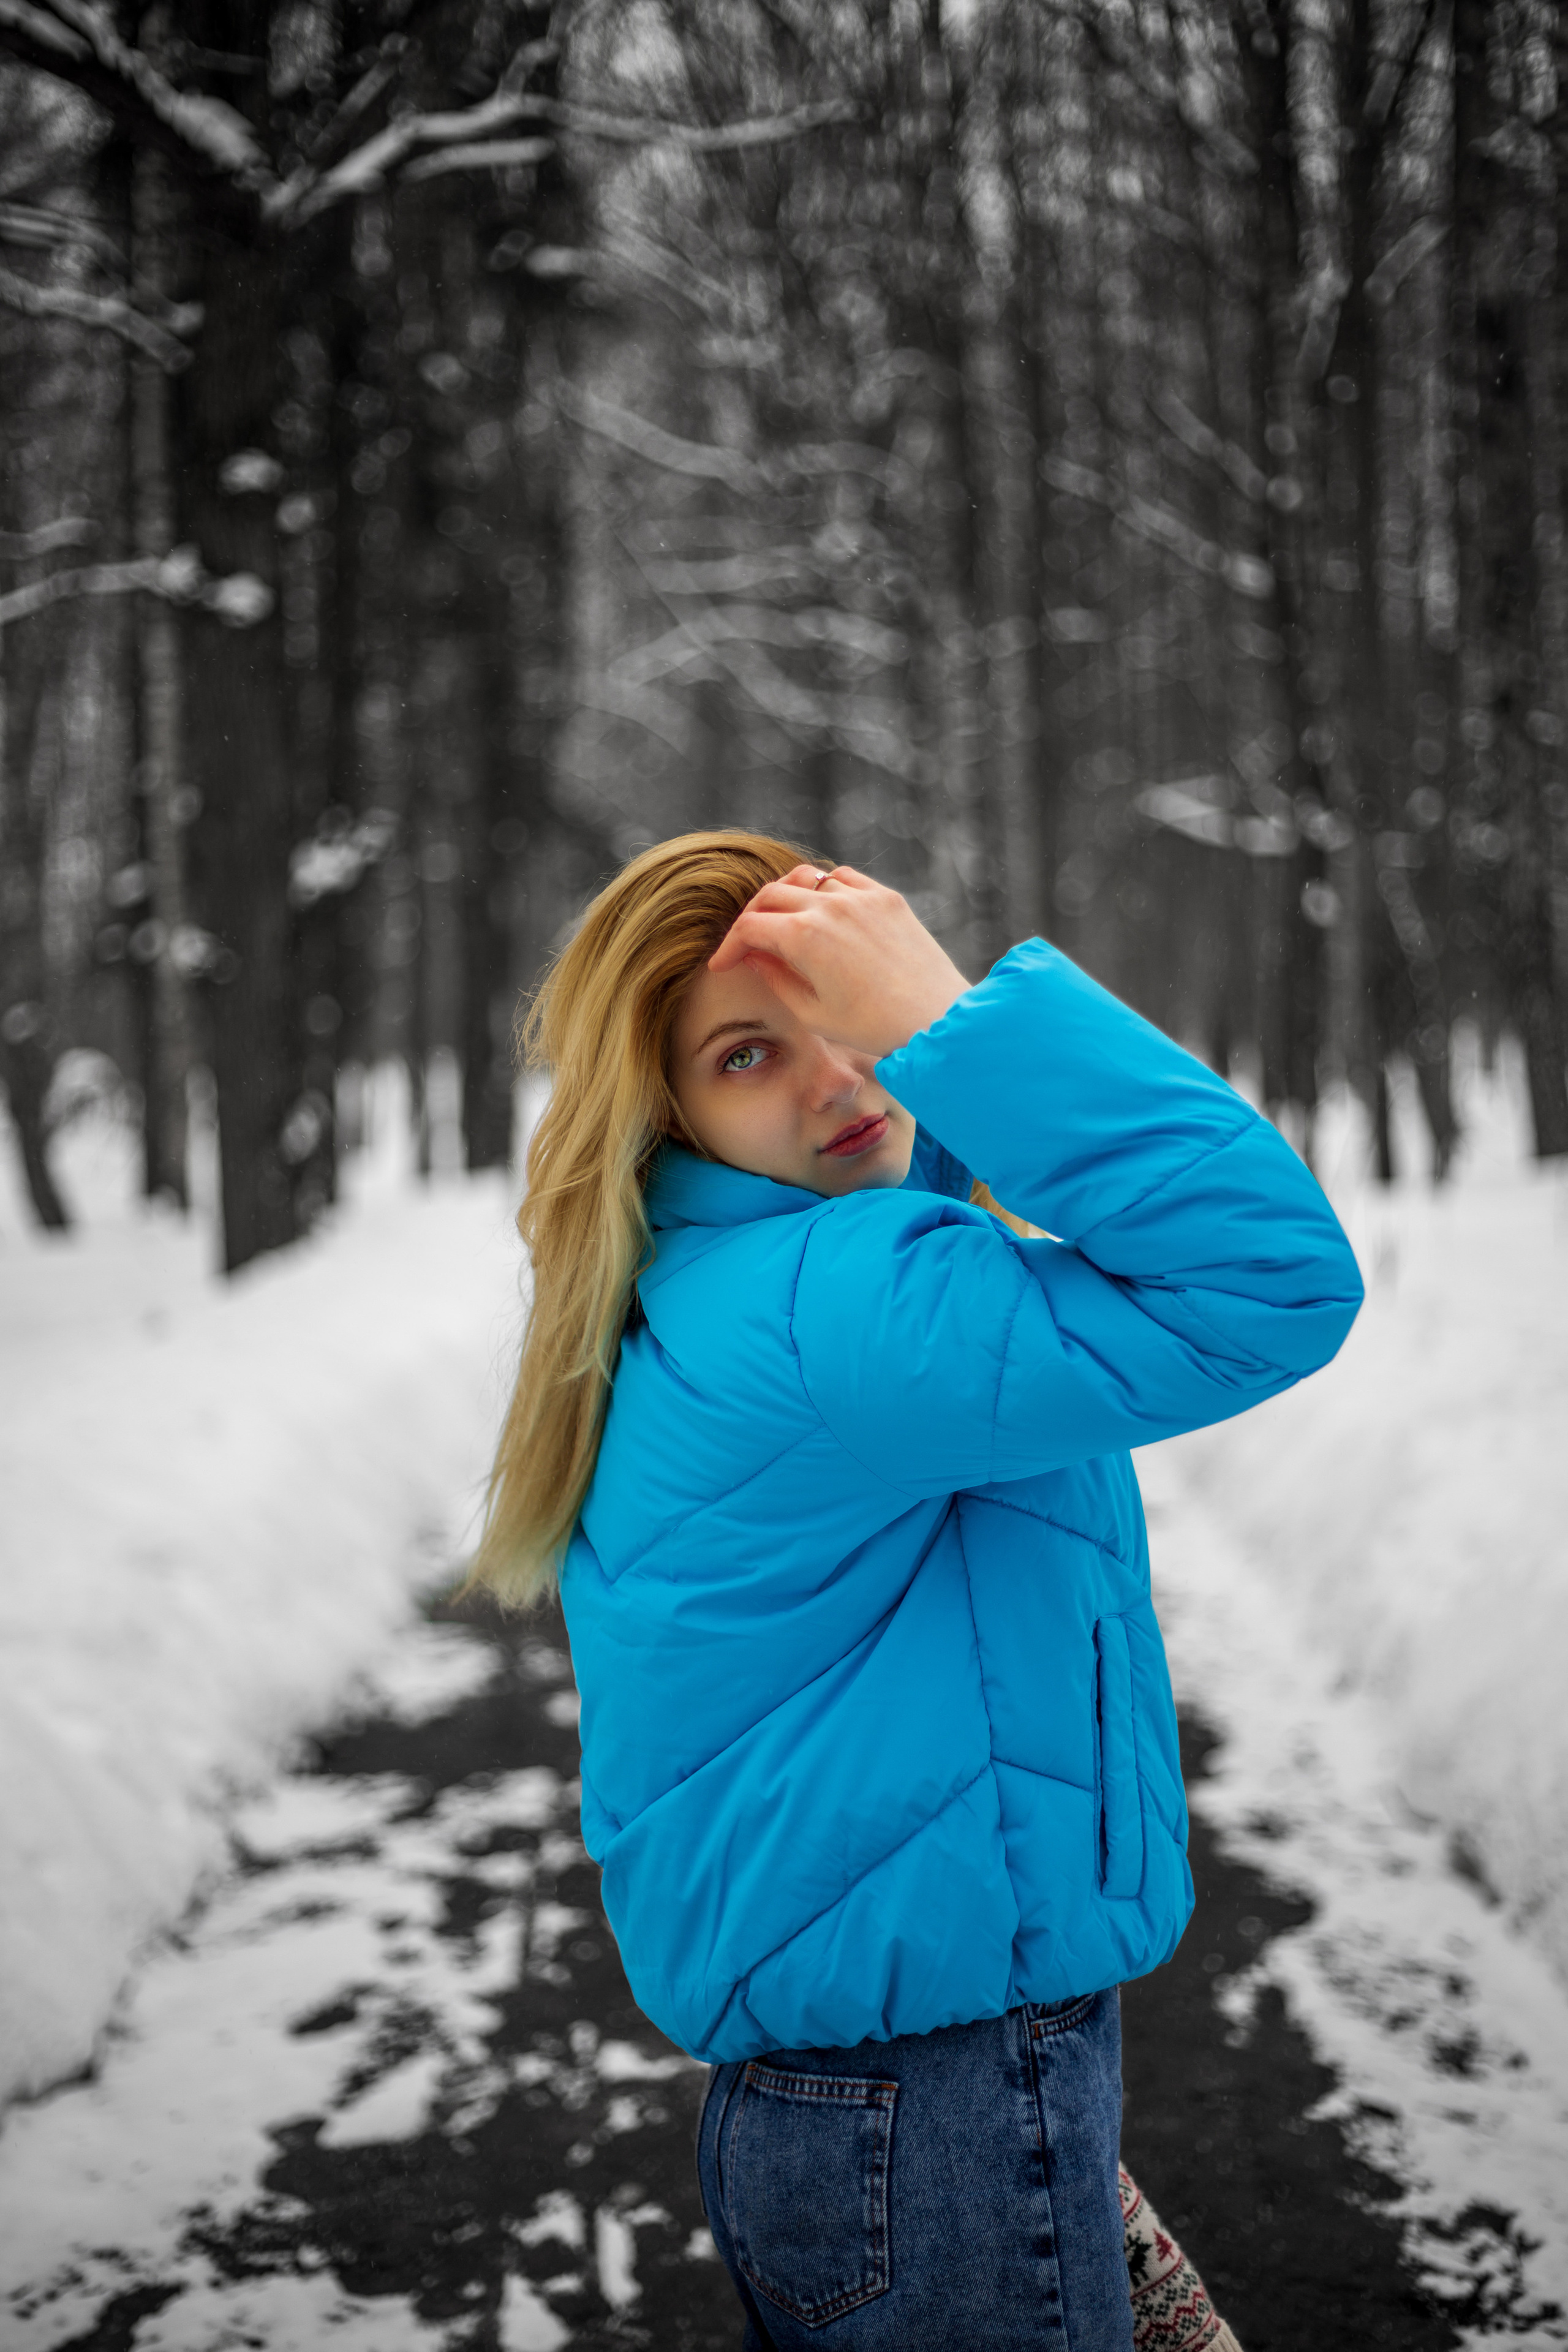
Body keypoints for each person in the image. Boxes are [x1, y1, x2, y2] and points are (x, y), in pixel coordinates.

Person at [472, 830, 1363, 2350]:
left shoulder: (737, 1277)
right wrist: (952, 1026)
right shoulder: (842, 1301)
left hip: (862, 2106)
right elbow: (1268, 1280)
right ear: (666, 1107)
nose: (839, 1082)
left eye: (847, 1021)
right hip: (937, 2108)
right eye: (751, 1051)